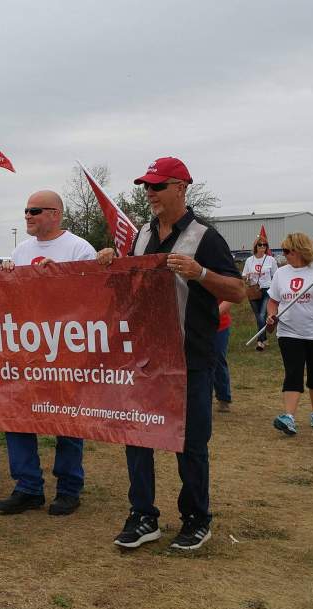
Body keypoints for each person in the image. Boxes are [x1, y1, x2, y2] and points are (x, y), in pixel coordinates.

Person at [96, 156, 244, 551]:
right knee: (137, 436)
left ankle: (197, 518)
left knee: (191, 442)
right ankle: (143, 515)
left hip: (190, 356)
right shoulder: (141, 234)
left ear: (181, 187)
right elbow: (128, 286)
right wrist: (112, 263)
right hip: (145, 357)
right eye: (146, 186)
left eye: (158, 186)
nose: (150, 193)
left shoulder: (205, 237)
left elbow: (238, 291)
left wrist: (200, 274)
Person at [0, 190, 96, 516]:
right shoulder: (21, 251)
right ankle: (28, 487)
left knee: (67, 422)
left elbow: (93, 297)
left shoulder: (79, 248)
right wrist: (5, 279)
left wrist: (62, 278)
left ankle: (68, 488)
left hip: (65, 349)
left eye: (35, 210)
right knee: (18, 417)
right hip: (26, 349)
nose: (27, 215)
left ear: (55, 213)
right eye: (25, 210)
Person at [267, 232, 313, 435]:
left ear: (299, 251)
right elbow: (273, 300)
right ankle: (289, 417)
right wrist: (271, 315)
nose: (285, 255)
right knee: (293, 373)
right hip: (289, 332)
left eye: (288, 251)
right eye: (284, 251)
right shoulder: (281, 273)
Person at [241, 239, 276, 351]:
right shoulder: (249, 260)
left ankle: (260, 341)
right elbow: (244, 276)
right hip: (253, 290)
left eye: (264, 245)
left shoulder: (271, 260)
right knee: (258, 316)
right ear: (255, 246)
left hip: (267, 290)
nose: (262, 247)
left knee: (262, 315)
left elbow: (276, 276)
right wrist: (248, 275)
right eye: (260, 245)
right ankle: (264, 337)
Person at [214, 301, 233, 412]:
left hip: (220, 325)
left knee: (218, 360)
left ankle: (223, 398)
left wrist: (213, 314)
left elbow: (229, 299)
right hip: (196, 324)